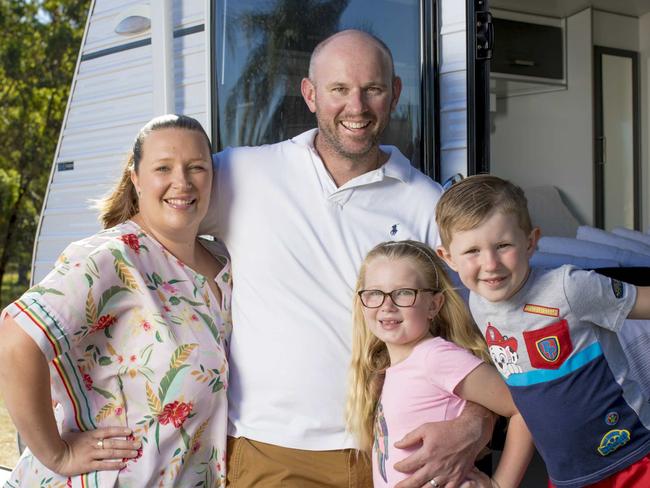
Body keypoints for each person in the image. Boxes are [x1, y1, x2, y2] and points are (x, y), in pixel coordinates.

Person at [202, 29, 494, 487]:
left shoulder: (428, 204)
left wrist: (474, 425)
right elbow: (156, 224)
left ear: (394, 94)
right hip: (273, 451)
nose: (356, 107)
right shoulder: (242, 173)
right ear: (310, 94)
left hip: (397, 454)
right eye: (339, 89)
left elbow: (481, 336)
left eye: (372, 89)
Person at [0, 115, 231, 487]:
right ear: (136, 178)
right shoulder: (111, 257)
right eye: (163, 168)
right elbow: (15, 339)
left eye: (197, 167)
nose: (182, 182)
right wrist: (57, 453)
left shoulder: (224, 263)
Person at [435, 174, 650, 487]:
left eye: (503, 245)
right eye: (472, 252)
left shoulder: (569, 287)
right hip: (567, 476)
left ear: (531, 241)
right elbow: (526, 398)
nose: (491, 263)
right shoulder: (479, 306)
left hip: (632, 459)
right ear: (448, 257)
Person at [346, 240, 533, 488]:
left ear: (434, 305)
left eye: (403, 292)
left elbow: (526, 405)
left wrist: (501, 485)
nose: (387, 305)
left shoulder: (436, 357)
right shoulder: (389, 371)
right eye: (375, 293)